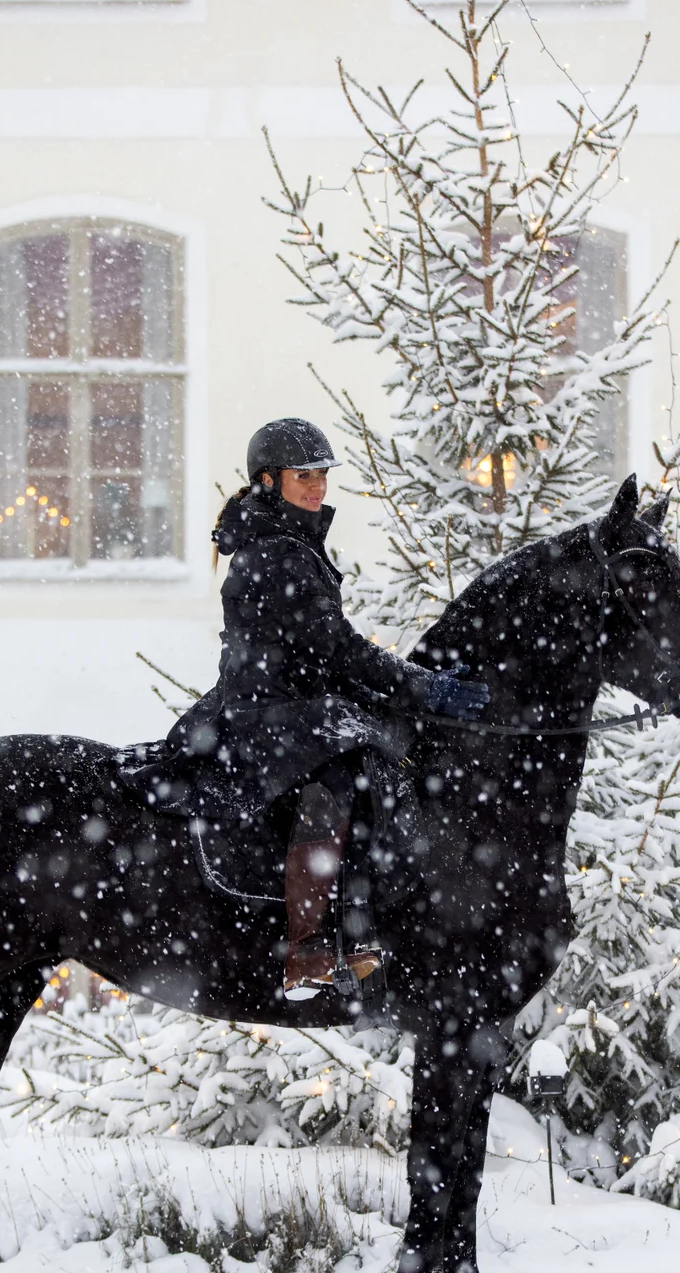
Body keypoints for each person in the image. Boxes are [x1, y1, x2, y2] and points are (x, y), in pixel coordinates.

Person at [133, 418, 490, 998]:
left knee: (371, 744)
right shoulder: (277, 553)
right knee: (343, 773)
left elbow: (322, 654)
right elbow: (340, 649)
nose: (318, 485)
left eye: (322, 474)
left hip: (294, 701)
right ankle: (311, 949)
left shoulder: (293, 543)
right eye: (305, 475)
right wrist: (425, 688)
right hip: (269, 711)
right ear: (269, 481)